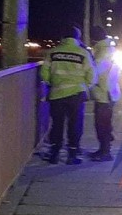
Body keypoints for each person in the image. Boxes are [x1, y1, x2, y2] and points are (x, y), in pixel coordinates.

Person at [40, 27, 96, 164]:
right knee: (75, 124)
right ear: (78, 37)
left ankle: (54, 153)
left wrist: (52, 83)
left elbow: (44, 73)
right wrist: (85, 86)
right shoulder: (83, 53)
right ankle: (72, 154)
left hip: (56, 94)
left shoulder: (53, 52)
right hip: (76, 94)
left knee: (57, 124)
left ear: (63, 37)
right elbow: (92, 75)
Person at [89, 26, 120, 161]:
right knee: (103, 124)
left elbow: (95, 73)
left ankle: (105, 152)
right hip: (108, 92)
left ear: (94, 38)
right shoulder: (106, 49)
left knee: (102, 125)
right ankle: (102, 150)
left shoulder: (102, 52)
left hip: (104, 94)